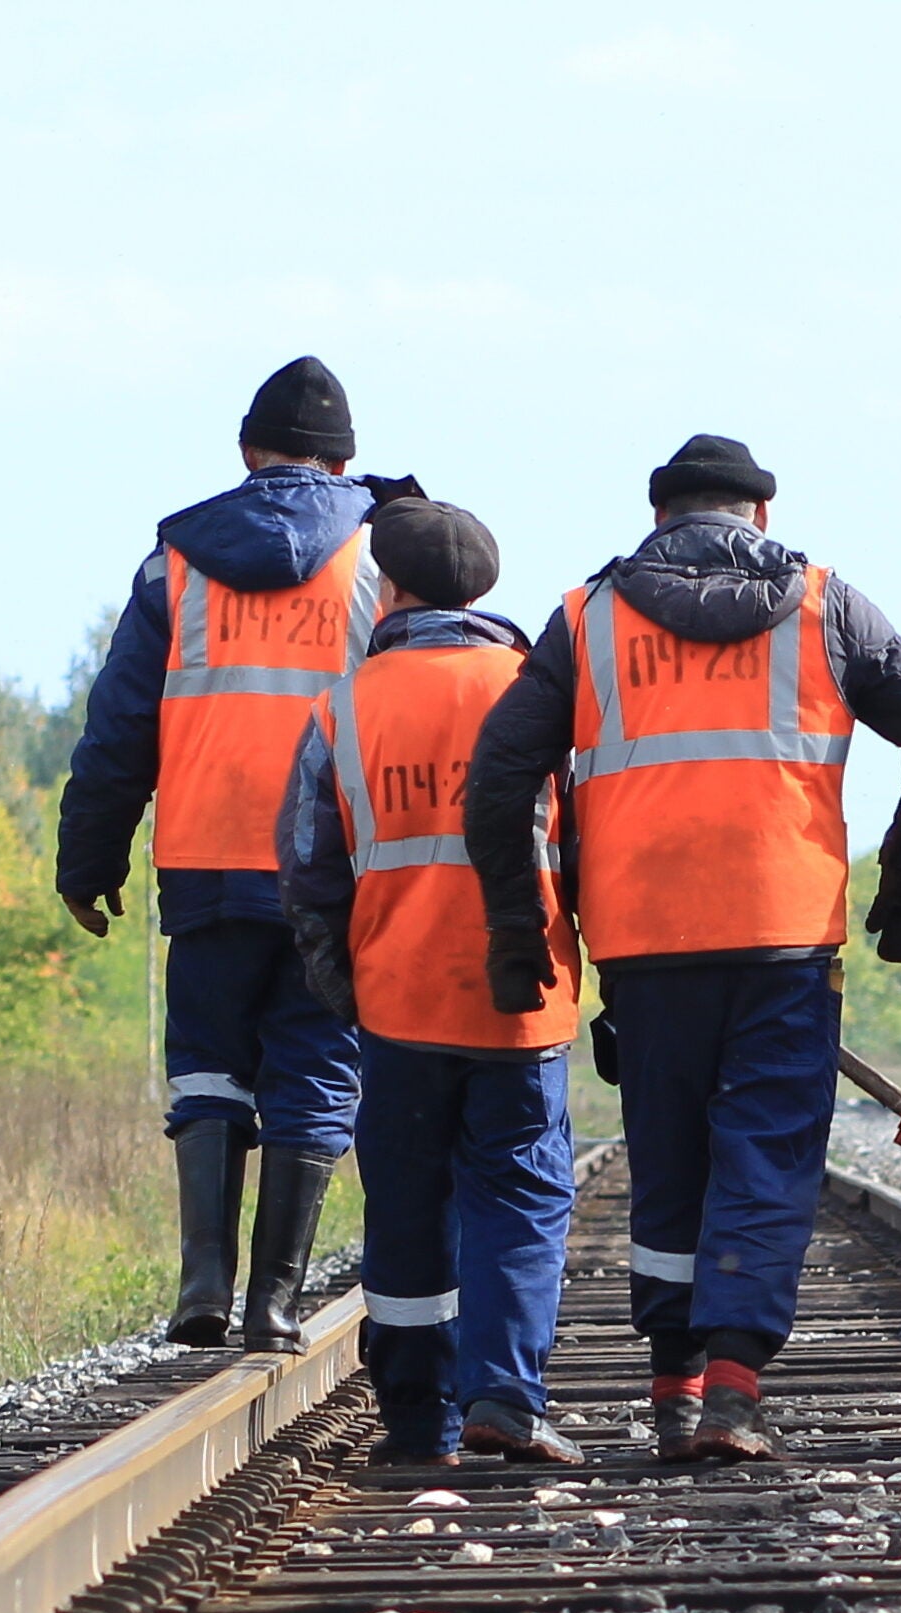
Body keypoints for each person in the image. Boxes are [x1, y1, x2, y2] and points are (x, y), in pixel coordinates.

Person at [466, 435, 901, 1462]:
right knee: (767, 1155)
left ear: (659, 518)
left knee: (669, 1153)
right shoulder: (826, 607)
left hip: (645, 940)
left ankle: (672, 1388)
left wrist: (523, 926)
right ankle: (734, 1393)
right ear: (763, 512)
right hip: (784, 934)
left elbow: (499, 771)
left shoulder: (587, 618)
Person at [55, 357, 394, 1349]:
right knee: (318, 1060)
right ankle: (273, 1302)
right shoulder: (379, 563)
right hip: (336, 863)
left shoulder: (174, 568)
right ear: (346, 462)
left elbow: (118, 728)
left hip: (204, 856)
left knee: (208, 1059)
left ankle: (203, 1279)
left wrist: (89, 861)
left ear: (248, 452)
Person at [281, 498, 583, 1465]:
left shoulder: (343, 706)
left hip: (398, 1002)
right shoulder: (541, 695)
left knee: (407, 1206)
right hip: (523, 1002)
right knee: (522, 1200)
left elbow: (306, 869)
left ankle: (417, 1419)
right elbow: (591, 848)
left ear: (393, 591)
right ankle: (506, 1395)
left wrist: (346, 988)